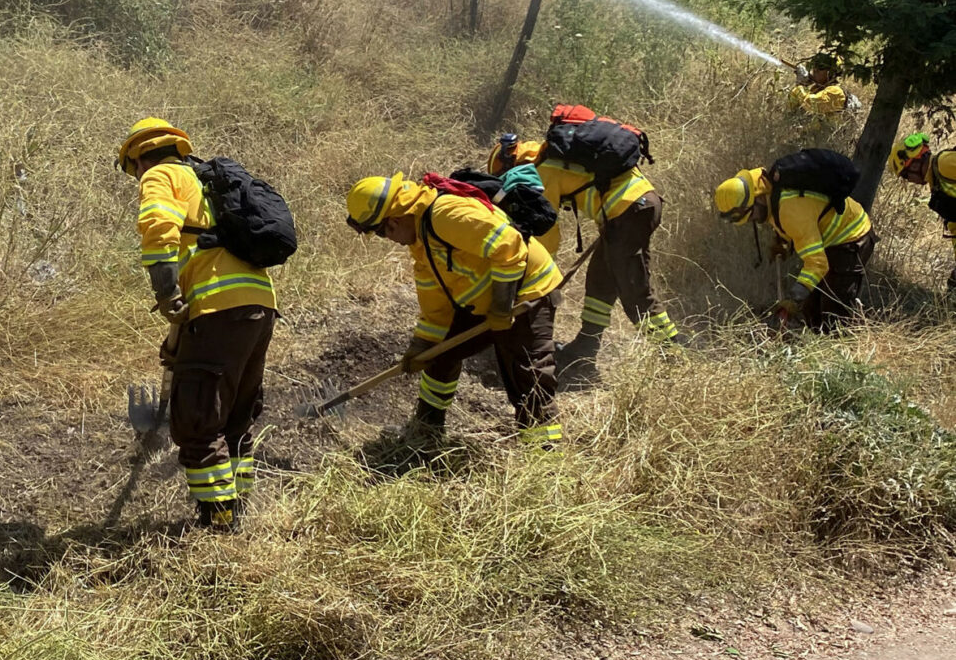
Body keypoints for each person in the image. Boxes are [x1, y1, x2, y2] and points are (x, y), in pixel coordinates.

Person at [118, 119, 277, 531]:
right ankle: (240, 506)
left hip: (217, 306)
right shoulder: (205, 182)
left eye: (133, 167)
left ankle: (219, 528)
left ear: (139, 157)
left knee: (197, 419)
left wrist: (165, 294)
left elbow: (159, 230)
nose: (137, 175)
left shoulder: (162, 174)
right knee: (236, 414)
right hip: (257, 305)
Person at [345, 172, 563, 447]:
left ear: (393, 221)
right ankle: (427, 428)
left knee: (526, 372)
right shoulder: (421, 241)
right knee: (441, 355)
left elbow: (510, 247)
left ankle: (545, 452)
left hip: (526, 293)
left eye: (380, 232)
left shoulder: (446, 215)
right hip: (485, 302)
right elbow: (436, 305)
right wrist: (422, 344)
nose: (386, 239)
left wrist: (501, 307)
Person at [488, 131, 685, 384]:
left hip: (629, 210)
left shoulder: (543, 172)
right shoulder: (551, 156)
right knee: (600, 282)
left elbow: (545, 237)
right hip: (634, 207)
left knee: (635, 291)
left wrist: (533, 280)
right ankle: (586, 347)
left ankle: (674, 356)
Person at [712, 164, 875, 331]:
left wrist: (794, 298)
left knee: (833, 316)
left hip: (852, 237)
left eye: (751, 215)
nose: (753, 220)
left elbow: (817, 263)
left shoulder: (789, 210)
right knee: (811, 311)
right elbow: (800, 217)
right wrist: (783, 241)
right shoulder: (768, 190)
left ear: (757, 198)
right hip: (830, 240)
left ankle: (844, 348)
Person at [888, 132, 956, 293]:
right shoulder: (937, 186)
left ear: (915, 163)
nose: (908, 180)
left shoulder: (944, 163)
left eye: (905, 174)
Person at [787, 53, 848, 117]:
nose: (815, 70)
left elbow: (812, 105)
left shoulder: (835, 91)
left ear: (830, 73)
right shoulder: (817, 89)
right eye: (814, 66)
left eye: (820, 68)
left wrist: (801, 87)